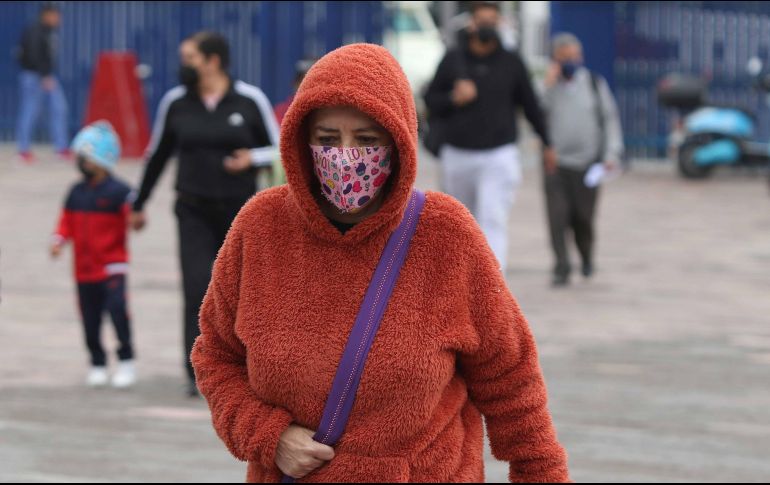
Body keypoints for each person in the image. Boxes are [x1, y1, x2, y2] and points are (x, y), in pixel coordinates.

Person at [191, 43, 569, 483]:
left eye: (367, 140)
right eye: (328, 139)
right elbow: (215, 357)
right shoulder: (261, 228)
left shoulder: (446, 234)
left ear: (398, 143)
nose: (346, 155)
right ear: (302, 139)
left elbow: (511, 381)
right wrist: (268, 437)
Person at [130, 32, 280, 397]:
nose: (184, 65)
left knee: (242, 292)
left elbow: (278, 147)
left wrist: (251, 158)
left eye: (190, 58)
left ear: (213, 61)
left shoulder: (249, 100)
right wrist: (139, 203)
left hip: (238, 213)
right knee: (198, 286)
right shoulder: (176, 103)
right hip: (192, 209)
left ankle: (246, 366)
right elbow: (158, 153)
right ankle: (196, 371)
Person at [424, 1, 555, 276]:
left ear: (500, 24)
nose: (486, 27)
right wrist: (453, 98)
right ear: (471, 23)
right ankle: (458, 280)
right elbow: (430, 100)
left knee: (493, 218)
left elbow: (530, 105)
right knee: (458, 222)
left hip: (499, 154)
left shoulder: (511, 62)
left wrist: (547, 142)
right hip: (458, 154)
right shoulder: (453, 59)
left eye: (492, 21)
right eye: (481, 21)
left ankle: (493, 283)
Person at [50, 121, 136, 389]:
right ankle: (97, 362)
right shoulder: (76, 192)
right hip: (83, 270)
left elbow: (134, 217)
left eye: (85, 158)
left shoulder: (120, 192)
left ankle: (126, 360)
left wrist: (137, 218)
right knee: (89, 319)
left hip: (112, 266)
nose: (81, 163)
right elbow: (65, 222)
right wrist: (59, 240)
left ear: (101, 160)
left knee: (117, 311)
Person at [542, 33, 624, 287]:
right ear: (554, 59)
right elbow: (534, 114)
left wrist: (611, 153)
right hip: (556, 165)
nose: (569, 61)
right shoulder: (548, 87)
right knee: (557, 217)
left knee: (583, 218)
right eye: (563, 57)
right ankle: (562, 267)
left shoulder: (594, 84)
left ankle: (586, 256)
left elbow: (609, 120)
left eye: (573, 56)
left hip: (588, 165)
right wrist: (547, 84)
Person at [16, 3, 71, 163]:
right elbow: (33, 54)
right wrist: (45, 76)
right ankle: (23, 151)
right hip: (36, 77)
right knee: (31, 111)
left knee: (57, 109)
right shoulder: (36, 30)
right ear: (46, 15)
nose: (58, 19)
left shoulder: (47, 31)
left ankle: (61, 148)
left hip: (42, 76)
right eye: (55, 15)